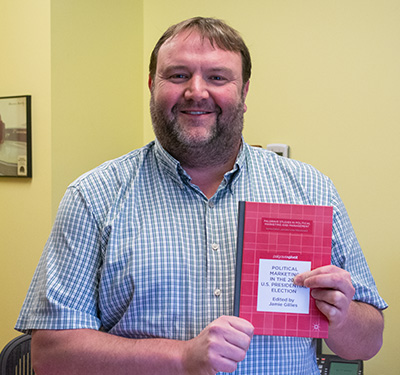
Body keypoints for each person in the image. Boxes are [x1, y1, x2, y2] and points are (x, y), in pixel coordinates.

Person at [16, 17, 387, 375]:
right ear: (151, 85)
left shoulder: (310, 189)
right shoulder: (93, 196)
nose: (196, 91)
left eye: (217, 77)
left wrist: (341, 315)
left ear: (244, 93)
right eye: (178, 75)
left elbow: (368, 342)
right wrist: (181, 358)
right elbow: (50, 355)